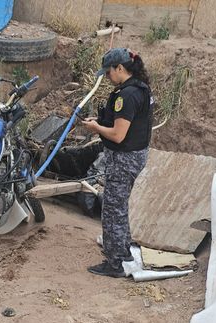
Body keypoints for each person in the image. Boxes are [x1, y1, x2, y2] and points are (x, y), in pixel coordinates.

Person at [81, 48, 153, 278]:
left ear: (120, 68)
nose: (108, 77)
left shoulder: (127, 96)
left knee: (112, 209)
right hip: (135, 156)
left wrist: (95, 128)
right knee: (119, 206)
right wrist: (101, 121)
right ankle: (123, 251)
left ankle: (114, 264)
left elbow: (118, 135)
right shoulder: (140, 88)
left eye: (109, 72)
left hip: (124, 159)